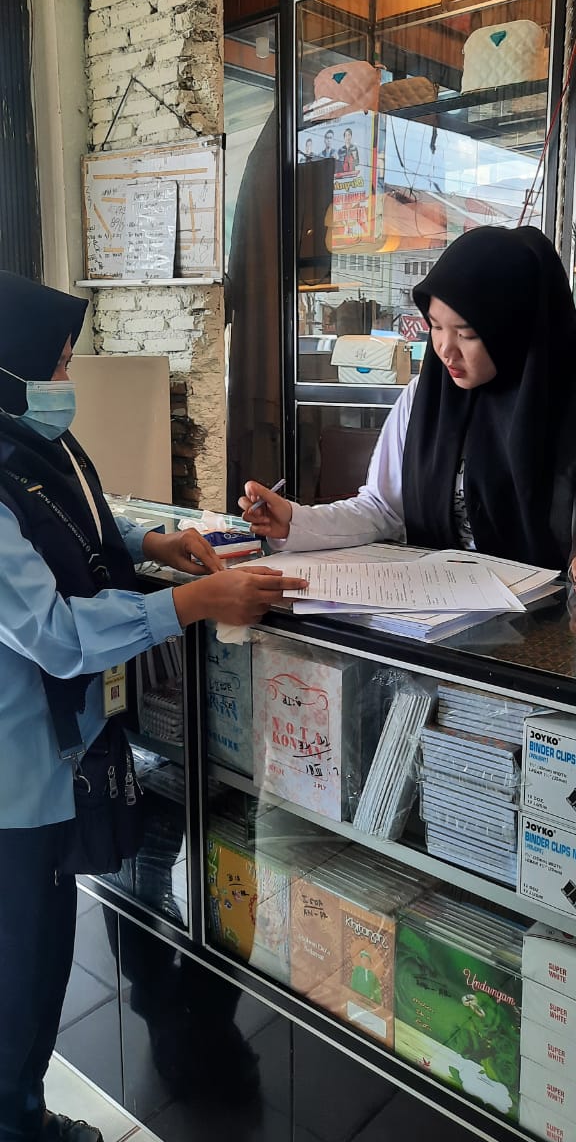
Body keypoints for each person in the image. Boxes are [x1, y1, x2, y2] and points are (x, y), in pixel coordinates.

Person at [0, 272, 305, 1142]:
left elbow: (84, 526)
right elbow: (55, 633)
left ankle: (23, 1112)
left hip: (62, 748)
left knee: (44, 956)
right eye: (59, 362)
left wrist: (155, 542)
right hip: (16, 771)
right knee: (21, 967)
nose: (66, 380)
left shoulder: (35, 444)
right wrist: (190, 603)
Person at [241, 226, 576, 570]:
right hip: (437, 592)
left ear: (514, 329)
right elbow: (382, 508)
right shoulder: (425, 397)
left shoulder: (564, 407)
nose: (445, 349)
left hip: (540, 602)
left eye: (466, 334)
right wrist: (294, 520)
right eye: (436, 326)